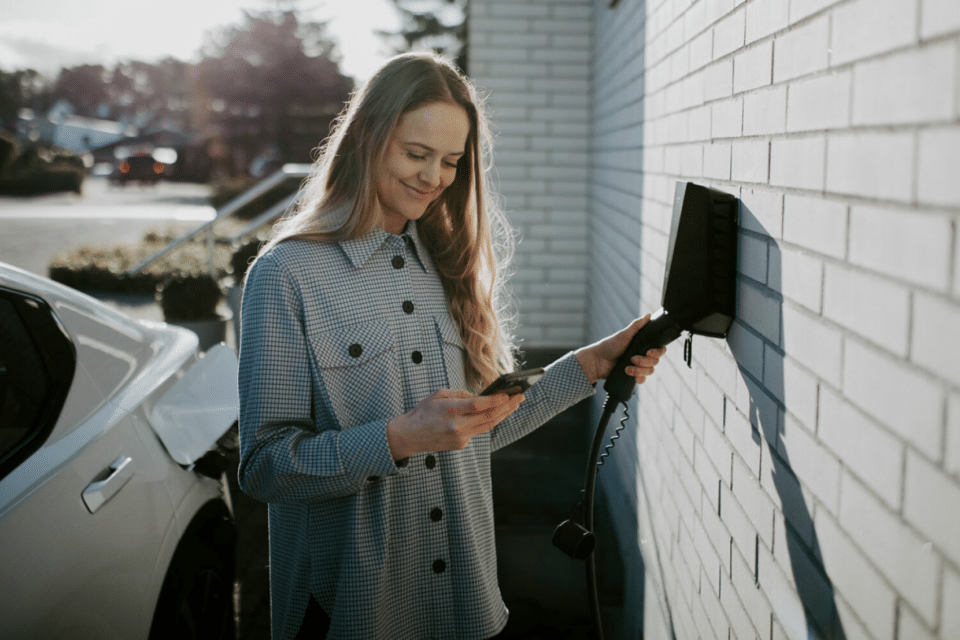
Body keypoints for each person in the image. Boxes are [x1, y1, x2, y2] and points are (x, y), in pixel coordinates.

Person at [237, 51, 666, 640]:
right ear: (366, 138)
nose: (434, 177)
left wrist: (591, 365)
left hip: (464, 606)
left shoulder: (447, 264)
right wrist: (400, 438)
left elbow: (474, 434)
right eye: (416, 154)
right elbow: (263, 467)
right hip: (351, 613)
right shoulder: (286, 275)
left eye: (451, 161)